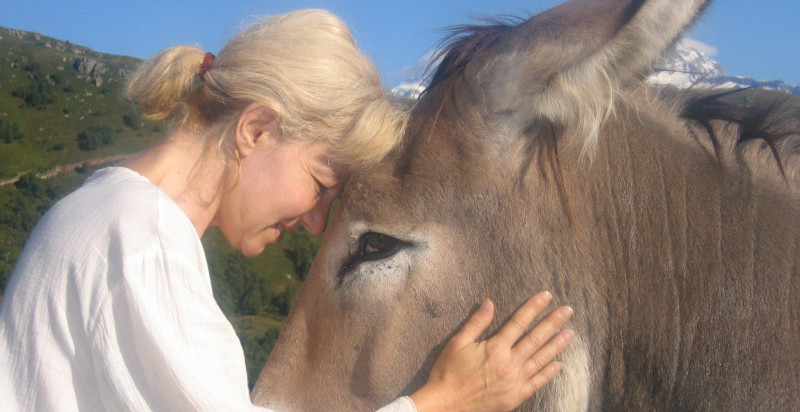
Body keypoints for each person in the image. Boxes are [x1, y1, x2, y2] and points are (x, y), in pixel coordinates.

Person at [0, 9, 574, 412]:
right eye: (321, 183)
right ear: (256, 129)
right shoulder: (141, 243)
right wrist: (446, 400)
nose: (316, 222)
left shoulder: (103, 211)